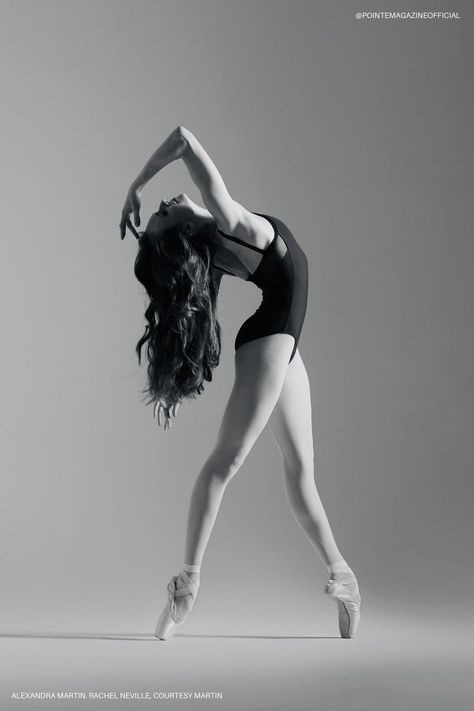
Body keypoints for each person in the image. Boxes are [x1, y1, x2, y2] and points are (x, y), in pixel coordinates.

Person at [119, 126, 361, 641]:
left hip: (284, 344)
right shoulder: (227, 220)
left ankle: (344, 578)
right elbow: (184, 138)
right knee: (222, 464)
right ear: (175, 234)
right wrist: (137, 185)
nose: (163, 202)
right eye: (162, 214)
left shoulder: (214, 247)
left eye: (157, 205)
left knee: (301, 474)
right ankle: (186, 585)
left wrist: (176, 385)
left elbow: (190, 320)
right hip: (271, 340)